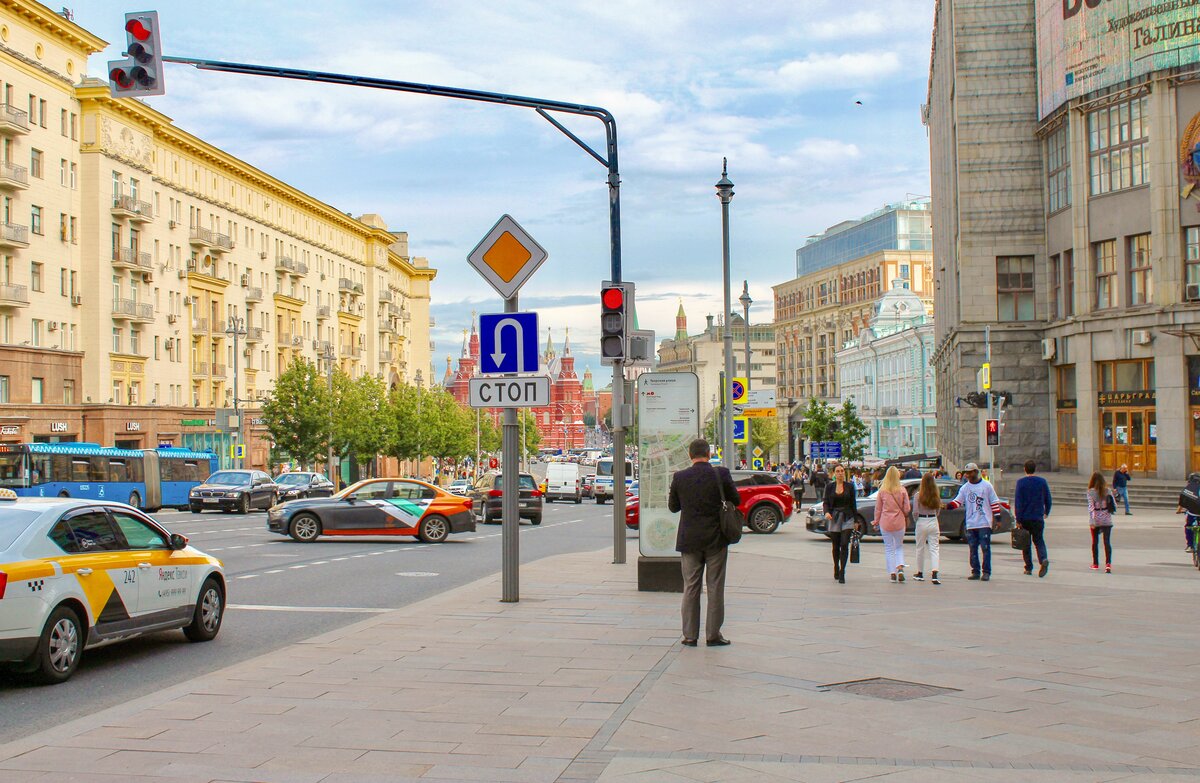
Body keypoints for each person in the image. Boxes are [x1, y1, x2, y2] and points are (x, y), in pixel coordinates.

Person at [668, 437, 738, 647]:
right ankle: (713, 635)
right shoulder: (721, 474)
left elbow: (673, 507)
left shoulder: (680, 477)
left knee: (691, 586)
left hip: (689, 540)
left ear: (690, 455)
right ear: (709, 454)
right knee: (715, 586)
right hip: (716, 539)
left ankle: (690, 636)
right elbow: (736, 500)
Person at [945, 462, 1003, 581]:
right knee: (972, 548)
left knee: (985, 547)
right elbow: (958, 502)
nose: (967, 475)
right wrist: (947, 506)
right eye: (966, 473)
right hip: (971, 523)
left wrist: (997, 519)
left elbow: (994, 503)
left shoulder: (987, 486)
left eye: (970, 473)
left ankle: (986, 571)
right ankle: (975, 571)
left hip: (984, 522)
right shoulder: (965, 488)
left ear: (976, 472)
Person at [1013, 459, 1052, 577]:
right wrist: (1046, 512)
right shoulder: (1042, 482)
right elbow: (1048, 499)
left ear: (1025, 469)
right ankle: (1043, 559)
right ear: (1035, 469)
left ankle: (1028, 567)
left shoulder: (1021, 483)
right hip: (1037, 517)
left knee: (1026, 544)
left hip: (1025, 518)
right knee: (1039, 540)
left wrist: (1018, 519)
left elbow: (1018, 501)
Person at [874, 466, 911, 582]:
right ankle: (900, 568)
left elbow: (878, 509)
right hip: (899, 522)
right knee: (899, 546)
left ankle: (892, 573)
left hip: (885, 522)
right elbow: (907, 508)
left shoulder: (882, 491)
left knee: (889, 548)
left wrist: (876, 521)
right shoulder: (902, 490)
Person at [822, 463, 857, 584]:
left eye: (842, 471)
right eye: (838, 471)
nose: (840, 473)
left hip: (847, 517)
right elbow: (825, 502)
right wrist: (826, 512)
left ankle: (843, 571)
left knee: (844, 543)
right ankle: (836, 566)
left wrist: (856, 520)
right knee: (835, 546)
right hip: (834, 517)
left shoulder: (850, 487)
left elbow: (853, 504)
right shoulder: (830, 487)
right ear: (834, 474)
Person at [912, 472, 942, 584]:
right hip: (933, 520)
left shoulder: (918, 495)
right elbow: (938, 510)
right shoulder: (936, 495)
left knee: (920, 548)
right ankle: (935, 573)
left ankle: (920, 573)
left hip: (921, 521)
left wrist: (917, 520)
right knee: (934, 548)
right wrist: (934, 516)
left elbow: (915, 511)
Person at [1086, 471, 1114, 573]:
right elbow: (1114, 504)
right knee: (1107, 542)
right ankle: (1108, 564)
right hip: (1107, 519)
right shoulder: (1108, 491)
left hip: (1096, 519)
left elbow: (1091, 507)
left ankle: (1095, 563)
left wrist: (1092, 520)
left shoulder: (1090, 492)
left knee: (1095, 542)